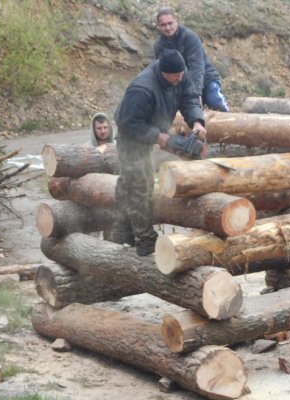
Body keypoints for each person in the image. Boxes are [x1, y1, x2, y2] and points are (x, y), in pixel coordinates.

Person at [111, 49, 206, 256]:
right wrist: (160, 137)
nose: (180, 79)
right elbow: (127, 123)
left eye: (182, 75)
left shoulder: (180, 73)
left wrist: (196, 121)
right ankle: (144, 239)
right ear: (163, 73)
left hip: (154, 128)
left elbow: (189, 98)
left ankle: (120, 231)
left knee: (130, 182)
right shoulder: (142, 88)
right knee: (139, 182)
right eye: (176, 76)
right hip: (131, 136)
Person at [154, 7, 229, 112]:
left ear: (176, 21)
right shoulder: (159, 46)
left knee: (216, 103)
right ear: (159, 26)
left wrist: (196, 94)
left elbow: (197, 67)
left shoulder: (189, 37)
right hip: (181, 84)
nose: (167, 28)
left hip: (206, 79)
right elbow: (163, 73)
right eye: (163, 25)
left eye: (170, 23)